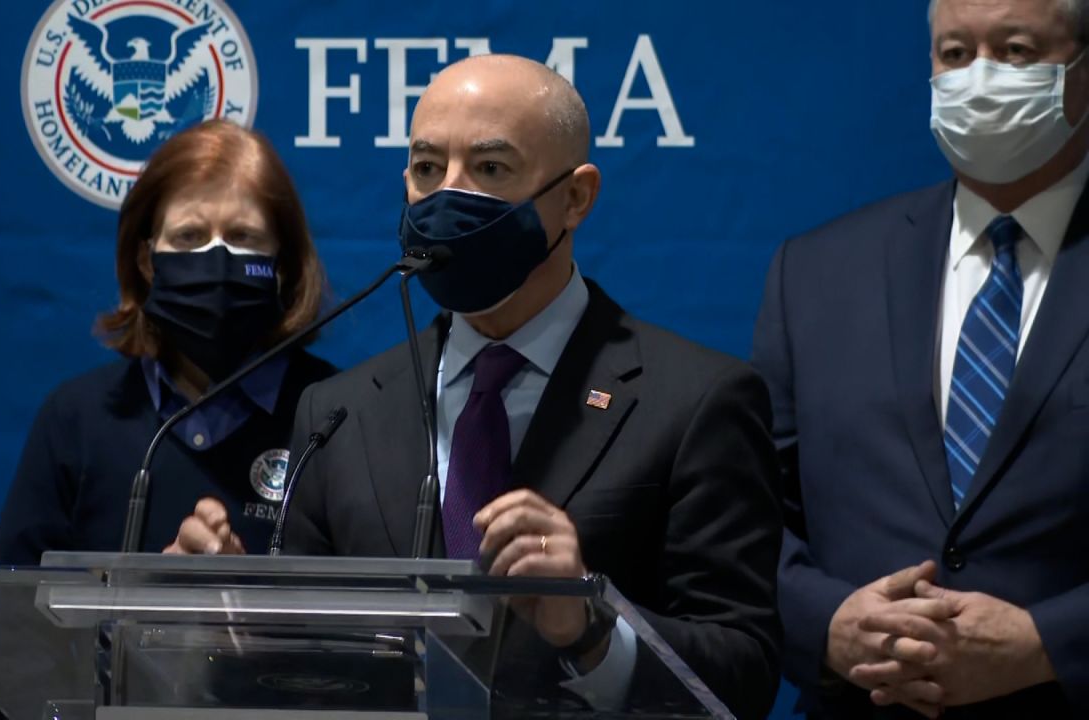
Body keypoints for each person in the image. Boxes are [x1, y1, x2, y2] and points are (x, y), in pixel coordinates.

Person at [171, 55, 783, 720]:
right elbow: (303, 668)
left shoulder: (697, 401)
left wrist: (592, 627)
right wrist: (223, 617)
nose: (447, 197)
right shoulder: (338, 412)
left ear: (574, 197)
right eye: (428, 169)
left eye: (490, 169)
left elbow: (742, 675)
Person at [752, 0, 1089, 717]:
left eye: (1019, 51)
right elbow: (744, 514)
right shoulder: (815, 271)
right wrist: (831, 623)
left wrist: (1048, 642)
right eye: (956, 55)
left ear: (1081, 73)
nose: (980, 80)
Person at [0, 119, 336, 565]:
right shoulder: (76, 419)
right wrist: (154, 605)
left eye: (242, 237)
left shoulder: (335, 422)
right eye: (189, 236)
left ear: (282, 264)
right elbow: (14, 620)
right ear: (147, 260)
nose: (216, 258)